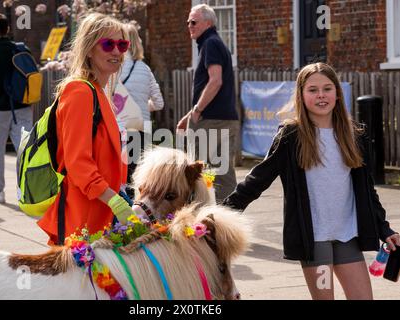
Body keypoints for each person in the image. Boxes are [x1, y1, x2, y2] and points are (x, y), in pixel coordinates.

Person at [223, 62, 400, 300]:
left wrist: (384, 229)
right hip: (314, 241)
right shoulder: (290, 136)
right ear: (301, 95)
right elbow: (257, 180)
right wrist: (220, 214)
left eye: (327, 88)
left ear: (337, 93)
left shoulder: (354, 135)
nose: (321, 95)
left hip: (348, 235)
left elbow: (367, 191)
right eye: (313, 90)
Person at [37, 13, 139, 245]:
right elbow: (78, 162)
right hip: (82, 216)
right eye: (108, 44)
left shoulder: (98, 92)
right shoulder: (80, 92)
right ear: (90, 49)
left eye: (122, 45)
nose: (116, 51)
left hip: (100, 211)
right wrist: (113, 200)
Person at [176, 4, 239, 203]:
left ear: (208, 23)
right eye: (187, 22)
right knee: (219, 171)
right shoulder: (212, 43)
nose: (189, 25)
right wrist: (189, 116)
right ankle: (223, 217)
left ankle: (218, 219)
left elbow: (215, 81)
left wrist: (197, 110)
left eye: (194, 22)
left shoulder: (210, 43)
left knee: (204, 173)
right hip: (219, 119)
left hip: (212, 121)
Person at [0, 13, 33, 203]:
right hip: (23, 106)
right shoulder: (21, 50)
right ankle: (26, 191)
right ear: (8, 28)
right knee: (24, 148)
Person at [119, 22, 164, 194]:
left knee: (121, 174)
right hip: (142, 126)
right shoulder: (145, 69)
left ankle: (122, 215)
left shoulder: (113, 68)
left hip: (121, 125)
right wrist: (142, 108)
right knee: (138, 174)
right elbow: (159, 103)